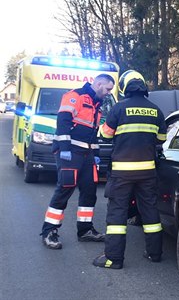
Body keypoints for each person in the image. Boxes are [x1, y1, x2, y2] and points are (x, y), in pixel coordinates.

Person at [93, 70, 166, 269]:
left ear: (124, 87)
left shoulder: (119, 108)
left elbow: (106, 135)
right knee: (150, 212)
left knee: (117, 214)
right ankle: (154, 253)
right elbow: (162, 140)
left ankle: (113, 259)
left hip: (122, 172)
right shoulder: (155, 110)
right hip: (148, 172)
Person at [41, 73, 115, 249]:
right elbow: (63, 122)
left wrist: (96, 153)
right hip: (70, 153)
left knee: (90, 191)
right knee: (64, 190)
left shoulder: (97, 105)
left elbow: (93, 132)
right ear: (98, 84)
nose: (108, 93)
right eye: (107, 89)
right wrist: (65, 148)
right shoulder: (75, 96)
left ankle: (85, 230)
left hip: (87, 154)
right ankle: (49, 231)